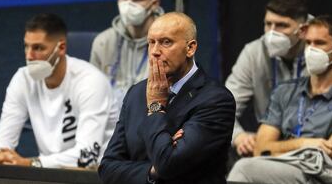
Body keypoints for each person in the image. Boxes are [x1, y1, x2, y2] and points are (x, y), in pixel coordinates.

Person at [98, 12, 235, 184]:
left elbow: (168, 164)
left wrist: (155, 105)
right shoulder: (136, 93)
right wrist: (153, 171)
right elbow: (107, 168)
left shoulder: (216, 100)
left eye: (166, 42)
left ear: (190, 48)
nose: (155, 51)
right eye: (151, 42)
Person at [0, 13, 118, 168]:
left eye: (38, 48)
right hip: (47, 172)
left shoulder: (91, 82)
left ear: (61, 48)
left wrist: (31, 163)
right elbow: (1, 139)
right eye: (26, 46)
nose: (29, 56)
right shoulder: (23, 79)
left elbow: (86, 156)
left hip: (95, 174)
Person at [228, 15, 332, 184]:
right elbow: (261, 148)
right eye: (308, 43)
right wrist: (305, 143)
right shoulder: (285, 91)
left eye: (320, 43)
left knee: (244, 169)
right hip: (282, 167)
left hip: (319, 174)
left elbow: (329, 153)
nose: (312, 50)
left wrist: (278, 148)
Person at [225, 0, 310, 157]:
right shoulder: (254, 52)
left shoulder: (323, 49)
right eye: (268, 24)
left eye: (282, 25)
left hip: (313, 143)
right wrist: (239, 137)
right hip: (267, 146)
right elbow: (223, 108)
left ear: (303, 29)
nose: (272, 33)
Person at [90, 0, 164, 108]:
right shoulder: (103, 42)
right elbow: (92, 93)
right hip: (109, 122)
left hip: (152, 120)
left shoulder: (171, 43)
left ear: (154, 4)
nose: (128, 5)